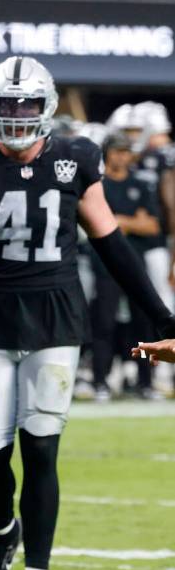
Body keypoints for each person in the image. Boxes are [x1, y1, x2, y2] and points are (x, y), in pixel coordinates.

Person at [0, 56, 175, 570]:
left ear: (45, 109)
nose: (17, 118)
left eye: (27, 106)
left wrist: (161, 316)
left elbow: (112, 242)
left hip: (56, 315)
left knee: (42, 447)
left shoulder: (75, 159)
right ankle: (3, 532)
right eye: (7, 106)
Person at [90, 133, 161, 401]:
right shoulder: (98, 184)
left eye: (126, 151)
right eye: (118, 151)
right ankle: (100, 381)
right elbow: (93, 221)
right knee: (104, 323)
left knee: (143, 325)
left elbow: (152, 225)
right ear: (107, 152)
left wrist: (117, 221)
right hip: (105, 264)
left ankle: (146, 382)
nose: (123, 156)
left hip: (135, 265)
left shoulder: (139, 184)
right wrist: (133, 221)